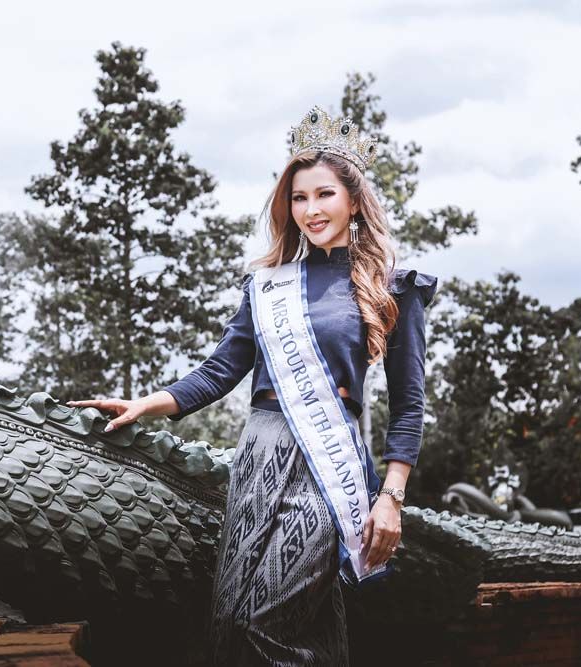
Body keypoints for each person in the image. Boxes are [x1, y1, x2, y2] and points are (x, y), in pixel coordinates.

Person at [68, 105, 437, 666]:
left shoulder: (393, 287)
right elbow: (220, 370)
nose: (311, 209)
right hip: (259, 453)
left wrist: (391, 497)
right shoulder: (267, 286)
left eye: (324, 194)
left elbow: (409, 405)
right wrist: (148, 403)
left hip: (326, 464)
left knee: (261, 619)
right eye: (299, 197)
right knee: (233, 623)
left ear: (354, 200)